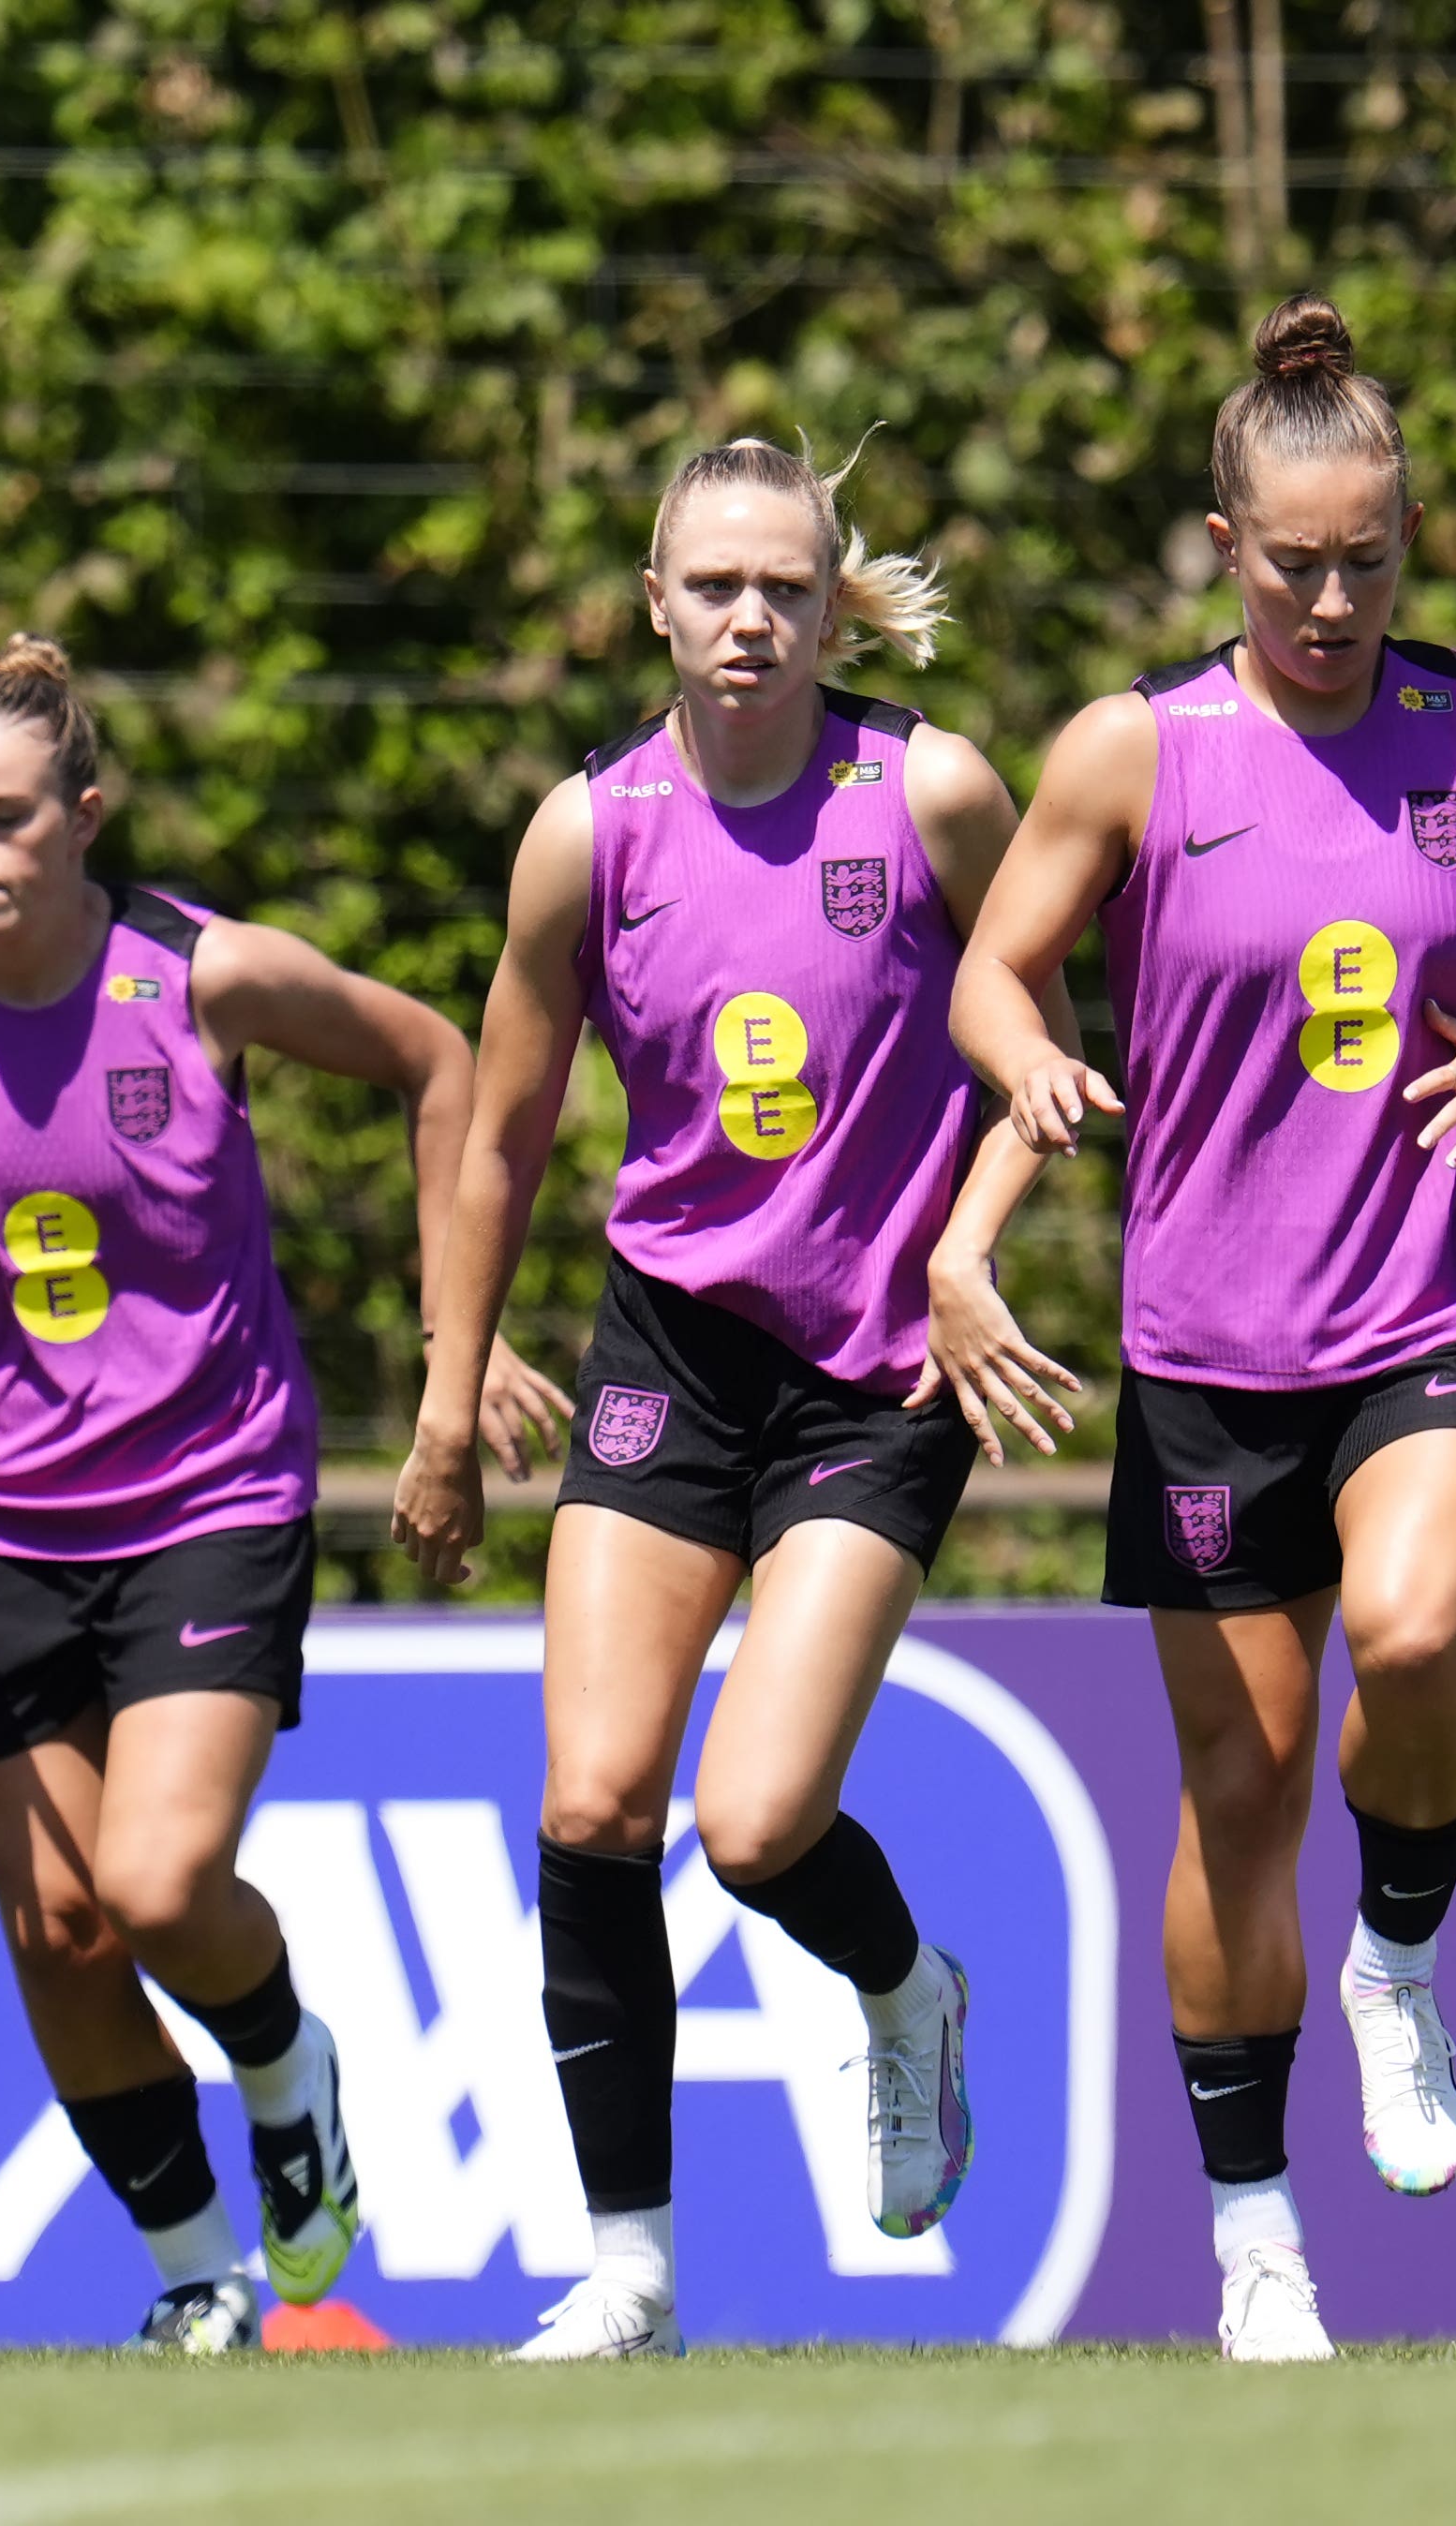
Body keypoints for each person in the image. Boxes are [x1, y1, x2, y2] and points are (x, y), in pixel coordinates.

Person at [954, 293, 1456, 2360]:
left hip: (1439, 1301)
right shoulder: (1133, 749)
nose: (1334, 599)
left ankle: (1403, 1957)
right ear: (1225, 542)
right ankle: (1255, 2236)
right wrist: (1032, 1072)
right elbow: (998, 971)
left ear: (1411, 536)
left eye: (1371, 559)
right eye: (1295, 560)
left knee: (1418, 1629)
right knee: (1238, 1800)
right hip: (1209, 1349)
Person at [0, 633, 571, 2354]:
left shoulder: (200, 978)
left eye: (2, 820)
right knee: (56, 1929)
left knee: (149, 1882)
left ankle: (288, 2064)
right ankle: (194, 2270)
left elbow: (443, 1064)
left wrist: (458, 1344)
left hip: (210, 1493)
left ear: (86, 814)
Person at [394, 437, 1078, 2361]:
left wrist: (972, 1247)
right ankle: (629, 2271)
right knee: (598, 1801)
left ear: (831, 593)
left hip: (878, 1364)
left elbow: (1045, 1041)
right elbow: (507, 1126)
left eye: (786, 583)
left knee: (762, 1822)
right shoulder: (588, 831)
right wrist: (452, 1394)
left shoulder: (928, 789)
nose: (753, 617)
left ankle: (908, 1988)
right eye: (716, 586)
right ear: (656, 600)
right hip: (672, 1351)